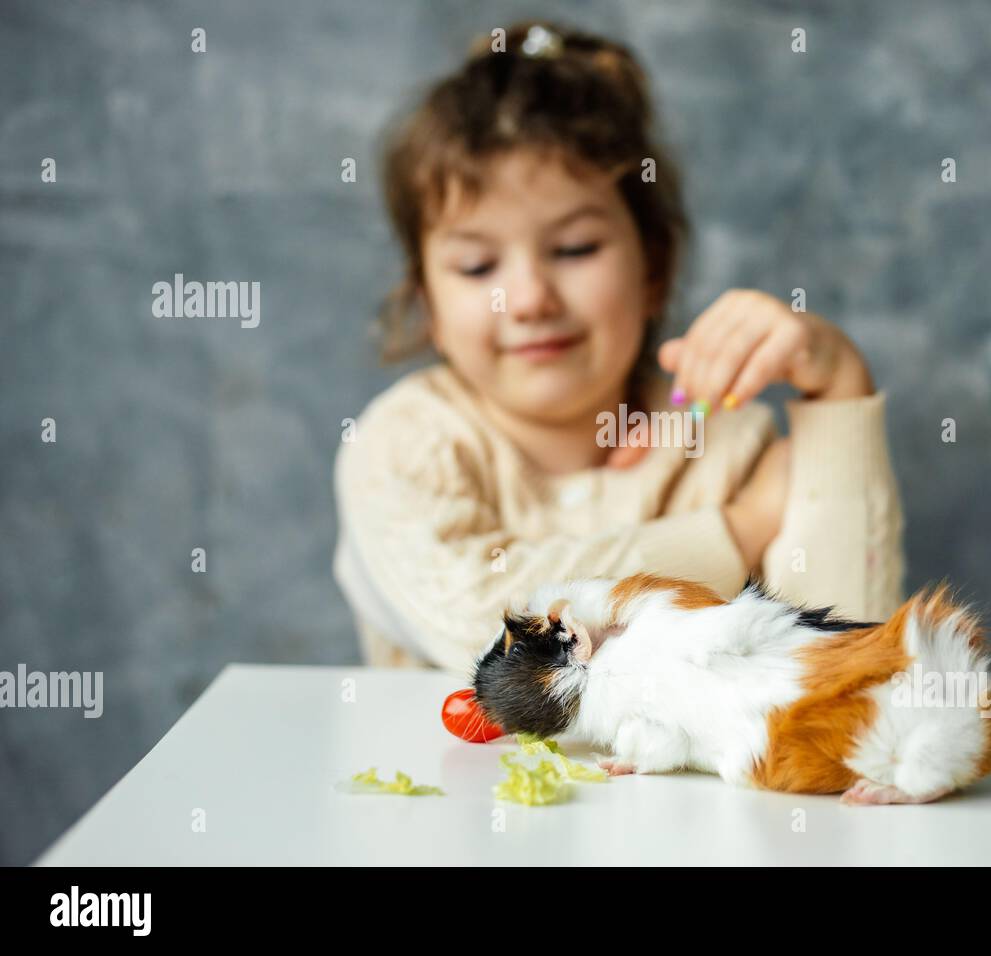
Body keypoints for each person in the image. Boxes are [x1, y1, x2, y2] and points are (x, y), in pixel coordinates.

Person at [332, 21, 905, 675]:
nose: (527, 299)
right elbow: (486, 631)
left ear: (653, 268)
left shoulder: (724, 441)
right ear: (428, 304)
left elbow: (845, 675)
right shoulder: (403, 447)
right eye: (475, 266)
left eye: (575, 249)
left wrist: (837, 389)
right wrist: (741, 529)